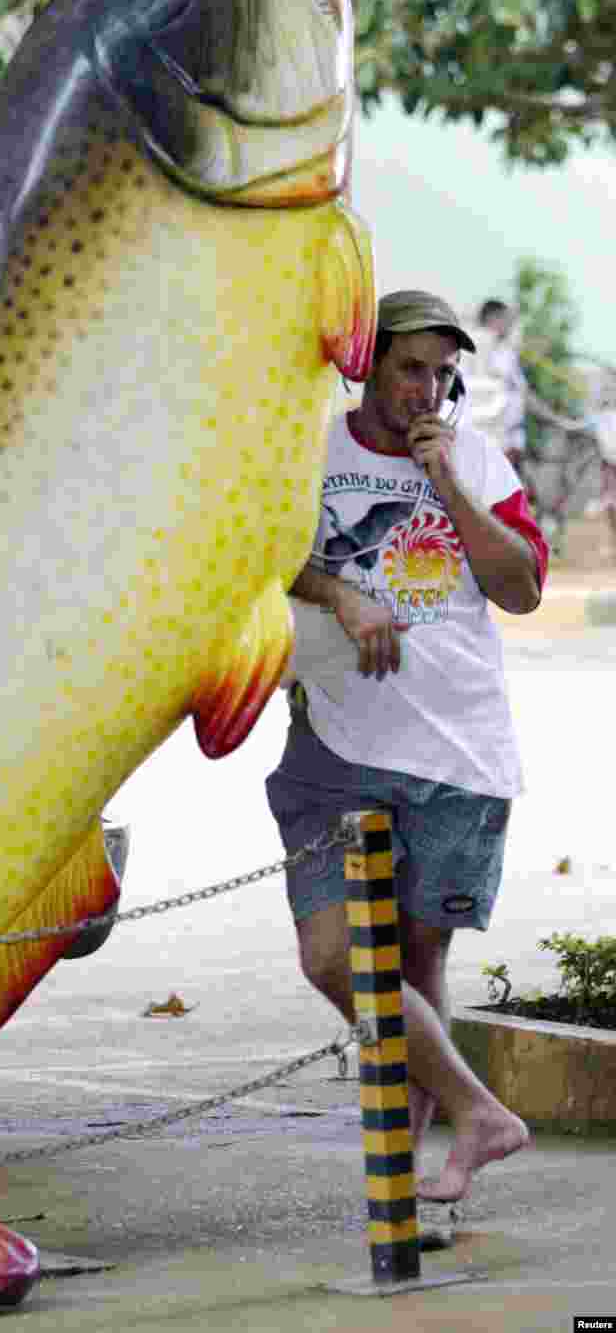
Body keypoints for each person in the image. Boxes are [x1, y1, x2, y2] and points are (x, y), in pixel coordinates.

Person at [267, 289, 549, 1203]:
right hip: (333, 741)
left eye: (442, 372)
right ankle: (480, 1111)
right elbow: (257, 555)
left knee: (420, 971)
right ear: (369, 366)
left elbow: (521, 590)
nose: (427, 389)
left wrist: (451, 486)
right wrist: (339, 594)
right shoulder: (308, 449)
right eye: (409, 368)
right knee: (334, 958)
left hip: (455, 751)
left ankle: (424, 1171)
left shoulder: (475, 457)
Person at [474, 297, 528, 476]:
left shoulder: (506, 353)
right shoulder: (477, 351)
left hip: (507, 439)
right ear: (492, 319)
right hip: (489, 437)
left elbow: (518, 395)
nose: (509, 325)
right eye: (505, 319)